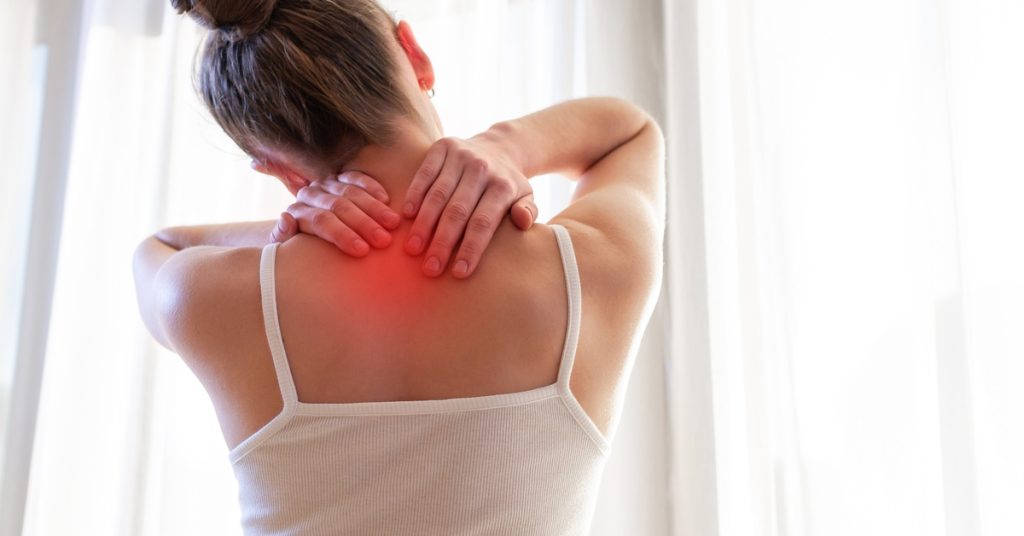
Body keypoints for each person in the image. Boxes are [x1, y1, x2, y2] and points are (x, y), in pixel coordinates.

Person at [132, 0, 665, 534]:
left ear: (275, 168)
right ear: (416, 54)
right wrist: (508, 145)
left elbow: (157, 247)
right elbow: (632, 130)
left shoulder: (212, 299)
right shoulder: (594, 267)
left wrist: (285, 229)